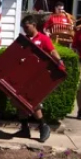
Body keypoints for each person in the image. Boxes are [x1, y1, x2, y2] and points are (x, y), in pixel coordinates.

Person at [14, 15, 60, 143]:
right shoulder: (24, 40)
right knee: (19, 101)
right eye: (23, 27)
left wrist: (60, 61)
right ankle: (24, 129)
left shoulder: (43, 39)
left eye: (27, 27)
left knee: (33, 101)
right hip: (23, 75)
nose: (25, 29)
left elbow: (52, 51)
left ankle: (43, 126)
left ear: (34, 25)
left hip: (37, 76)